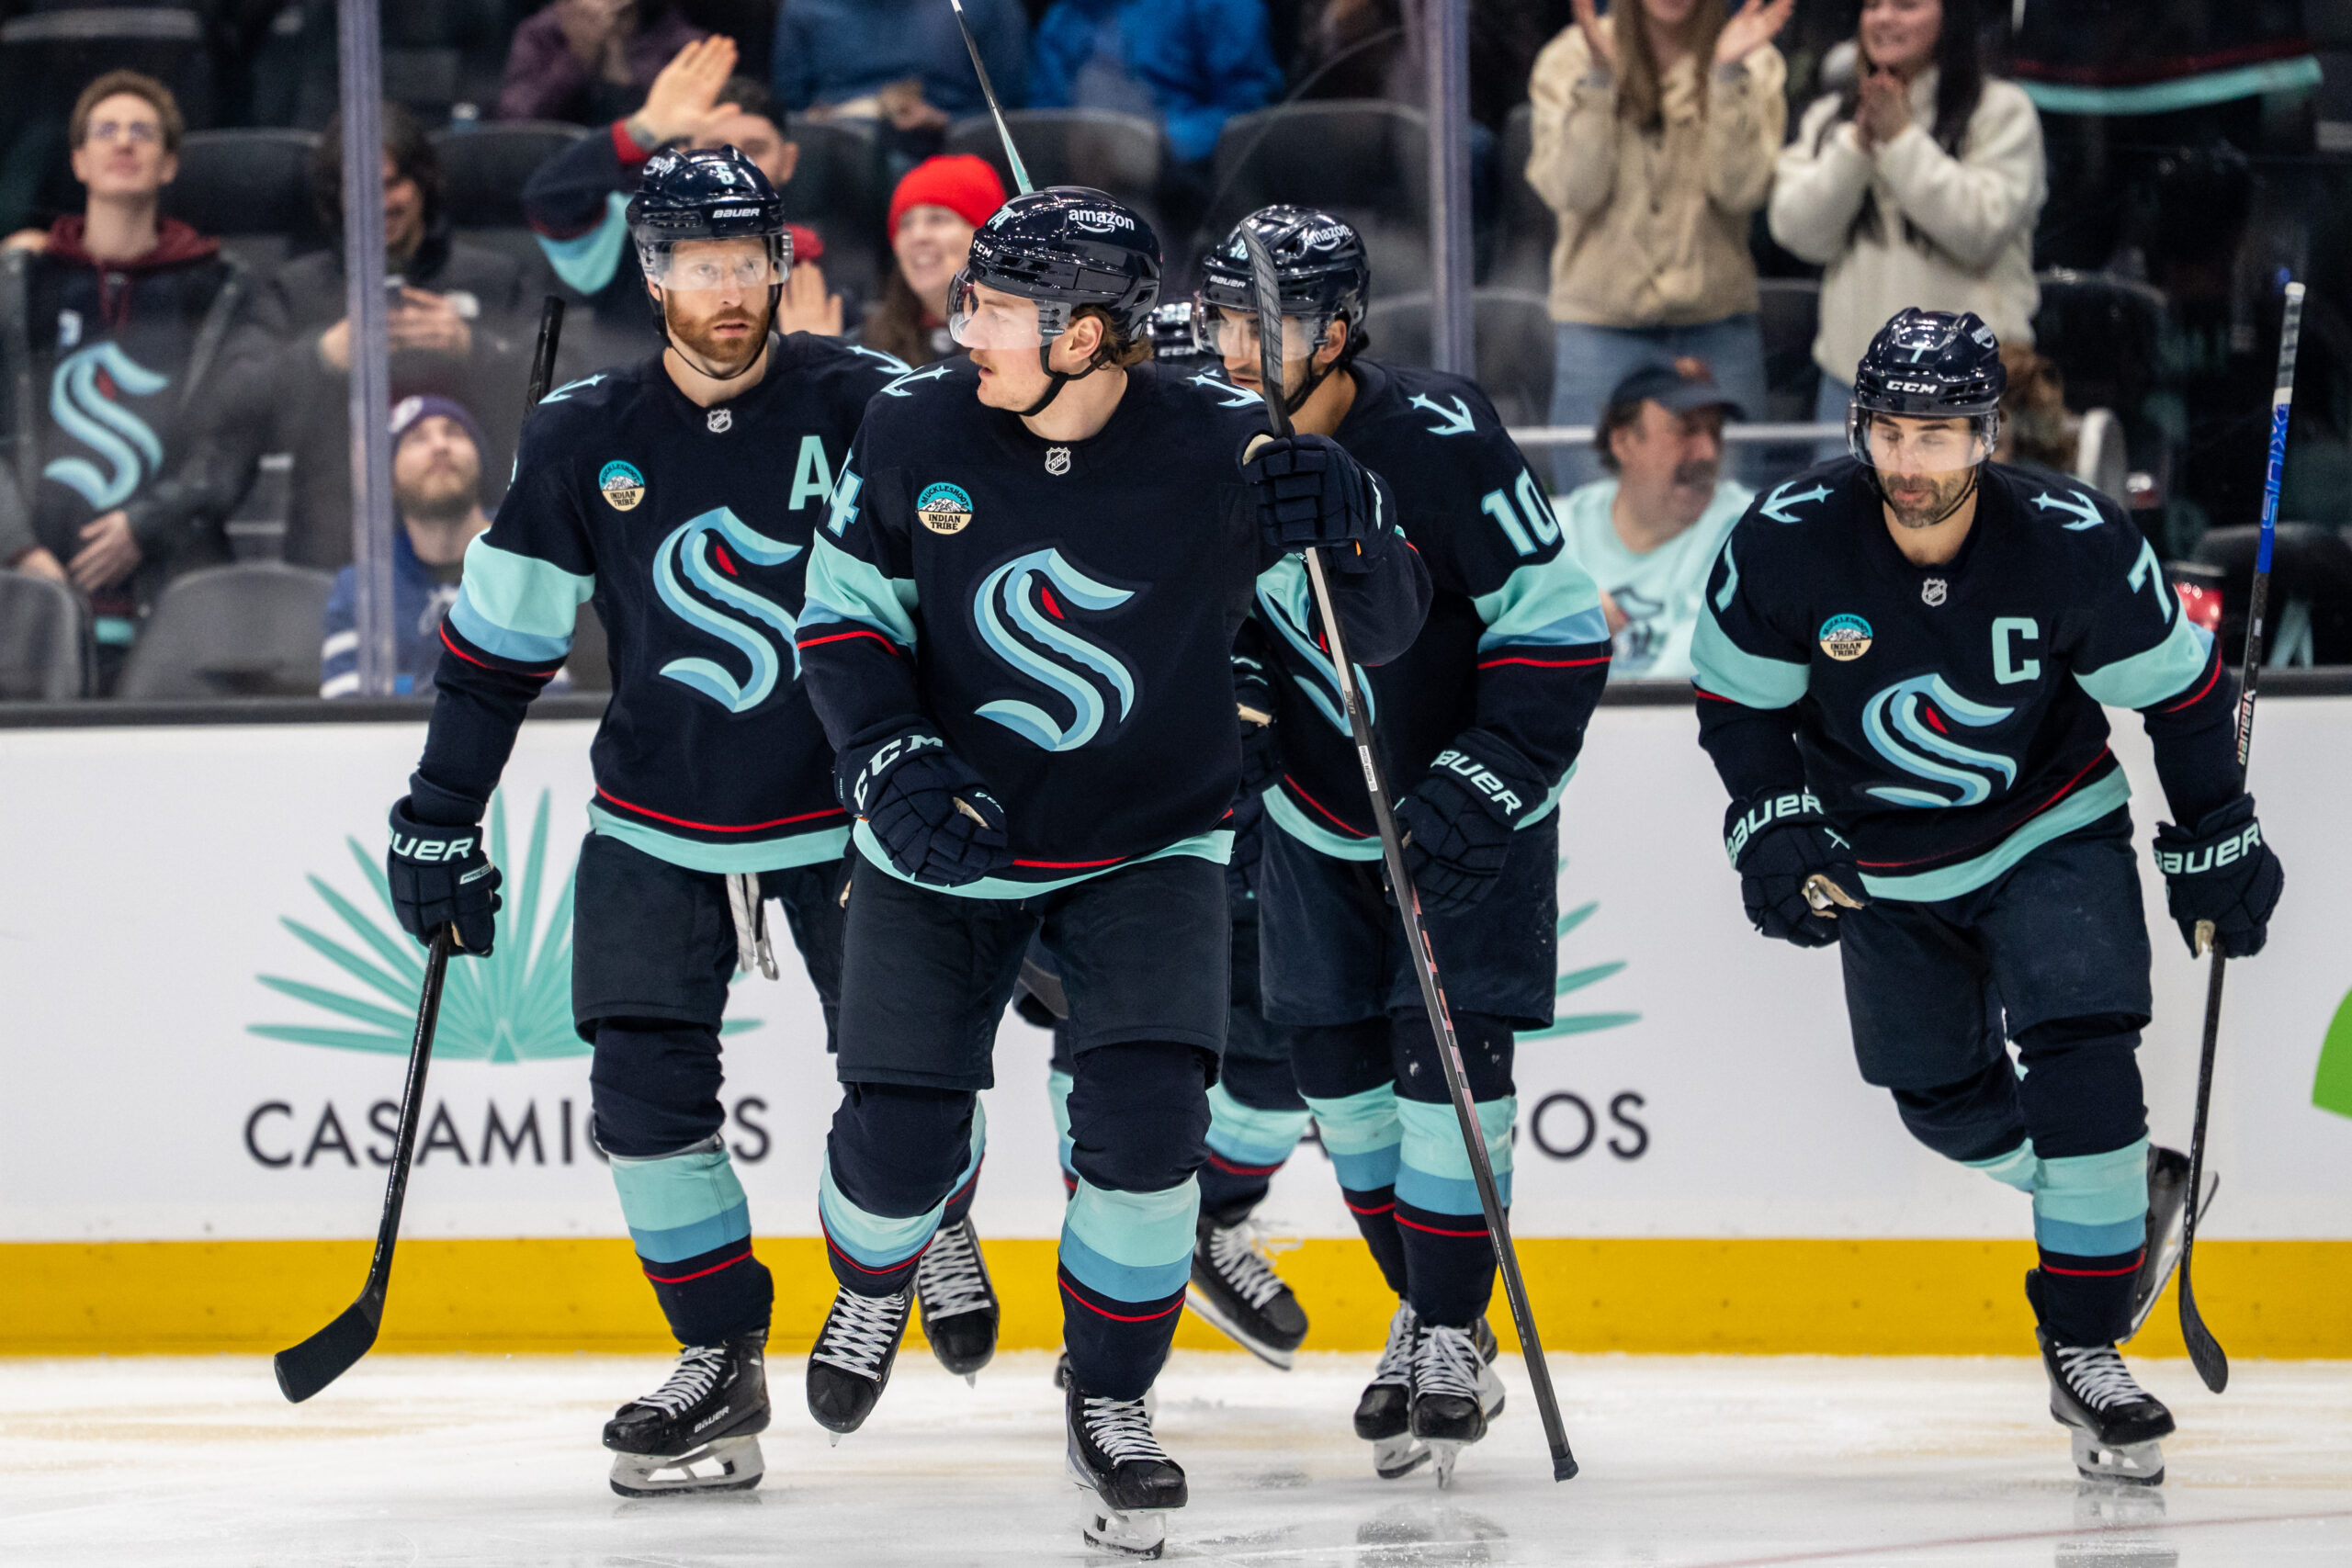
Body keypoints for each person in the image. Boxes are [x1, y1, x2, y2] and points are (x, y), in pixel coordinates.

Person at [793, 186, 1428, 1555]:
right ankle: (884, 1262)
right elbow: (840, 622)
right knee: (895, 1154)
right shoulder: (911, 425)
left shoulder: (1221, 443)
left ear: (1087, 335)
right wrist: (889, 762)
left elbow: (1372, 628)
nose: (967, 329)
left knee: (1145, 1141)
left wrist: (1355, 520)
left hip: (1150, 845)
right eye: (970, 300)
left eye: (999, 309)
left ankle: (1116, 1398)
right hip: (944, 839)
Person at [375, 147, 996, 1500]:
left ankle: (928, 1221)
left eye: (750, 260)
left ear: (785, 262)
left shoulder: (876, 404)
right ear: (651, 272)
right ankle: (720, 1359)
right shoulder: (581, 430)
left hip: (855, 815)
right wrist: (437, 815)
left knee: (908, 1073)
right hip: (658, 817)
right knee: (642, 1105)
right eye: (701, 264)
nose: (731, 290)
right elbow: (497, 648)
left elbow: (969, 597)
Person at [1690, 307, 2282, 1487]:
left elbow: (2180, 692)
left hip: (2046, 827)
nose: (1912, 465)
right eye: (1891, 435)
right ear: (1861, 428)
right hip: (1880, 863)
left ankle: (2085, 1343)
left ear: (1986, 434)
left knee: (2082, 1048)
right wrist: (1768, 819)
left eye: (1941, 436)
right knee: (1937, 1099)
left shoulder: (2069, 537)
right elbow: (1737, 705)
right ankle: (2125, 1185)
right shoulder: (1788, 540)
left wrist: (2216, 827)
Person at [1198, 207, 1610, 1484]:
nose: (1243, 345)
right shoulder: (1195, 445)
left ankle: (1439, 1328)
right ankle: (1442, 1313)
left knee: (1449, 1085)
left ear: (1342, 327)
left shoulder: (1440, 433)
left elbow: (1559, 624)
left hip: (1462, 809)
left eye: (1273, 321)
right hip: (1316, 822)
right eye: (1226, 316)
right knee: (1345, 1098)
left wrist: (1484, 782)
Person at [0, 70, 277, 686]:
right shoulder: (22, 282)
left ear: (168, 164)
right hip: (25, 599)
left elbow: (234, 443)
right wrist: (17, 549)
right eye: (106, 131)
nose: (123, 142)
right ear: (78, 160)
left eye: (142, 132)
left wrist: (145, 525)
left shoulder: (221, 289)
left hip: (171, 594)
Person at [1525, 0, 1792, 491]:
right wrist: (1601, 80)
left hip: (1717, 326)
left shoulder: (1755, 59)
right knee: (1590, 526)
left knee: (1729, 527)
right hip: (1599, 329)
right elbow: (1570, 190)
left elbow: (1744, 189)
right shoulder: (1570, 57)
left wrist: (1727, 74)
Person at [1768, 0, 2045, 455]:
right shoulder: (1831, 120)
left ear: (1950, 18)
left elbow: (1980, 228)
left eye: (1907, 5)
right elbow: (1797, 232)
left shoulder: (2001, 112)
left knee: (1968, 527)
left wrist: (1900, 141)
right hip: (1852, 389)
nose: (1884, 18)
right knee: (1845, 527)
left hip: (1965, 393)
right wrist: (1857, 148)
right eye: (1873, 5)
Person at [271, 105, 536, 571]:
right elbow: (237, 405)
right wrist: (321, 356)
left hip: (479, 542)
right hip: (336, 545)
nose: (380, 203)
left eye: (394, 184)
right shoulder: (297, 291)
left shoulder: (495, 279)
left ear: (423, 184)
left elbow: (568, 385)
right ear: (336, 197)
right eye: (361, 189)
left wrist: (476, 350)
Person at [523, 36, 845, 359]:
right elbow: (549, 201)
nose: (733, 165)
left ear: (788, 162)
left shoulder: (809, 267)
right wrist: (643, 128)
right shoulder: (630, 241)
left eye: (755, 149)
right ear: (683, 156)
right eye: (714, 147)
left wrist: (817, 364)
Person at [1556, 361, 1753, 682]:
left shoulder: (1746, 529)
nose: (1708, 452)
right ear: (1623, 442)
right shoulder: (1559, 529)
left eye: (1715, 431)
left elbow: (1692, 669)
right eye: (1686, 429)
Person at [321, 397, 494, 699]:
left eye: (454, 432)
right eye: (416, 439)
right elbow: (346, 714)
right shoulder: (360, 590)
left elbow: (551, 700)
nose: (440, 445)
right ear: (389, 479)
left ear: (479, 459)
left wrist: (405, 688)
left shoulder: (528, 560)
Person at [1026, 0, 1284, 169]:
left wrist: (1162, 146)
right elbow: (1046, 116)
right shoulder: (1066, 15)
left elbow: (1252, 114)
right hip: (1083, 183)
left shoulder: (1219, 6)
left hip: (1187, 195)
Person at [769, 0, 1027, 146]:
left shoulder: (985, 5)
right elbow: (789, 108)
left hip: (949, 147)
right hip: (837, 152)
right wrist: (817, 122)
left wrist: (945, 122)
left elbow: (1012, 108)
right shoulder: (804, 9)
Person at [858, 155, 1006, 369]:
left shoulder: (1027, 343)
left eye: (937, 219)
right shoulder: (868, 343)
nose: (918, 235)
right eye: (906, 224)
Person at [499, 0, 707, 124]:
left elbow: (672, 132)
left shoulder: (684, 43)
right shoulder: (542, 33)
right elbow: (516, 124)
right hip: (556, 170)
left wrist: (615, 55)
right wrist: (578, 54)